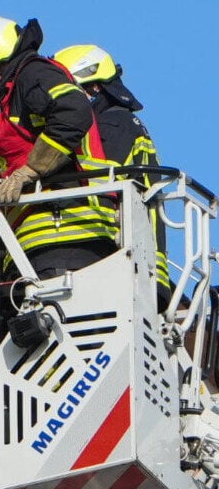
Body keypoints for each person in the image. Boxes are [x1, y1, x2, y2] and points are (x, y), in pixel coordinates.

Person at [0, 18, 119, 279]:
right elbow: (16, 165)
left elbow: (73, 112)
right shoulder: (11, 95)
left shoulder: (33, 74)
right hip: (39, 241)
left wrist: (31, 170)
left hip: (70, 231)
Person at [53, 44, 170, 308]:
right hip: (139, 257)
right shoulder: (126, 122)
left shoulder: (112, 123)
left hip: (119, 253)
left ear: (95, 88)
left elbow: (97, 177)